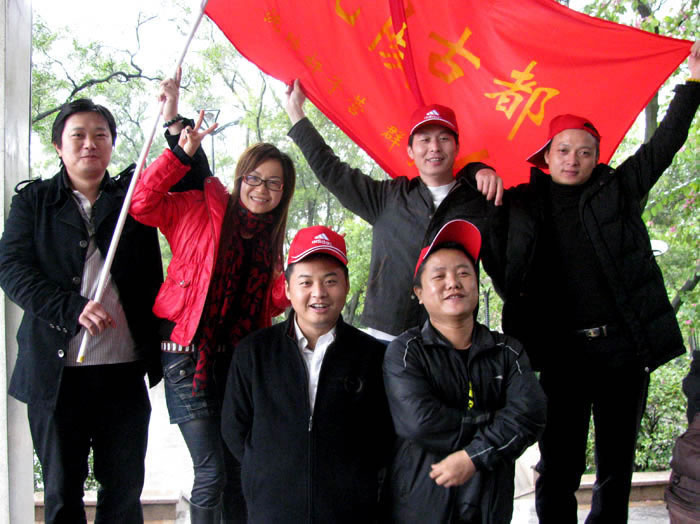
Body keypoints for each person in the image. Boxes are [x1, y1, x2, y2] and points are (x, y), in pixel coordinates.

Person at [483, 41, 700, 523]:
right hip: (560, 358)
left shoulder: (615, 191)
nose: (573, 160)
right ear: (546, 155)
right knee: (559, 465)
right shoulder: (522, 203)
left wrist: (692, 86)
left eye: (585, 152)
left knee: (615, 467)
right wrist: (479, 170)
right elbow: (480, 226)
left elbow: (663, 145)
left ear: (597, 157)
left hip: (622, 354)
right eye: (563, 150)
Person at [129, 71, 295, 523]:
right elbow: (141, 203)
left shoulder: (271, 245)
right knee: (211, 471)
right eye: (255, 179)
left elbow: (277, 302)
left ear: (283, 193)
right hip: (185, 355)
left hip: (237, 365)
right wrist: (179, 153)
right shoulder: (200, 208)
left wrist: (309, 283)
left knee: (240, 467)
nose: (261, 190)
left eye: (274, 184)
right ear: (240, 178)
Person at [0, 99, 165, 523]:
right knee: (61, 495)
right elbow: (10, 269)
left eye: (100, 135)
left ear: (111, 145)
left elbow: (187, 178)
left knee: (124, 494)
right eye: (78, 135)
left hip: (123, 373)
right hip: (55, 377)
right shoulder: (34, 203)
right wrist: (70, 308)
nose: (89, 144)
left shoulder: (135, 201)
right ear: (59, 145)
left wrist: (174, 117)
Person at [285, 80, 503, 343]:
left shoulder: (479, 202)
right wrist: (296, 113)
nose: (434, 147)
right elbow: (331, 170)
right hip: (385, 337)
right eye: (425, 140)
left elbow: (504, 264)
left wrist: (476, 169)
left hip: (451, 338)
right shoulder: (386, 198)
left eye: (444, 139)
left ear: (456, 148)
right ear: (411, 150)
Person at [221, 225, 394, 523]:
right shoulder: (254, 352)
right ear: (287, 289)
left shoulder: (372, 355)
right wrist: (267, 471)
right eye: (306, 282)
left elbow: (383, 435)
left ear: (347, 285)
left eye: (330, 280)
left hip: (349, 513)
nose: (319, 293)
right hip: (272, 510)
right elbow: (235, 430)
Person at [383, 219, 546, 523]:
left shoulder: (507, 351)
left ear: (476, 283)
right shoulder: (406, 352)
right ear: (419, 292)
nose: (453, 283)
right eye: (439, 275)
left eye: (463, 273)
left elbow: (530, 414)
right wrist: (495, 421)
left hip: (489, 505)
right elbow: (420, 422)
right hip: (421, 505)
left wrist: (474, 457)